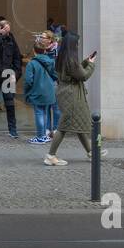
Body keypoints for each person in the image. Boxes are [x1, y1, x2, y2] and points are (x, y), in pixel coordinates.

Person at [48, 33, 100, 165]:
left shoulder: (62, 57)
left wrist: (85, 61)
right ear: (72, 45)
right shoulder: (71, 59)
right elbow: (83, 75)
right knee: (63, 127)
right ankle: (50, 156)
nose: (78, 45)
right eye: (77, 43)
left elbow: (75, 71)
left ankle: (91, 152)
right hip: (72, 95)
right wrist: (92, 64)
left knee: (77, 122)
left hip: (65, 93)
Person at [23, 33, 58, 146]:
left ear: (34, 51)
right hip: (49, 91)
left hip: (37, 92)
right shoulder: (50, 61)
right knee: (45, 113)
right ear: (44, 50)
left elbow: (28, 81)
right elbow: (54, 75)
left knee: (39, 114)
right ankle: (44, 135)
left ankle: (41, 136)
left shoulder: (32, 64)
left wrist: (27, 92)